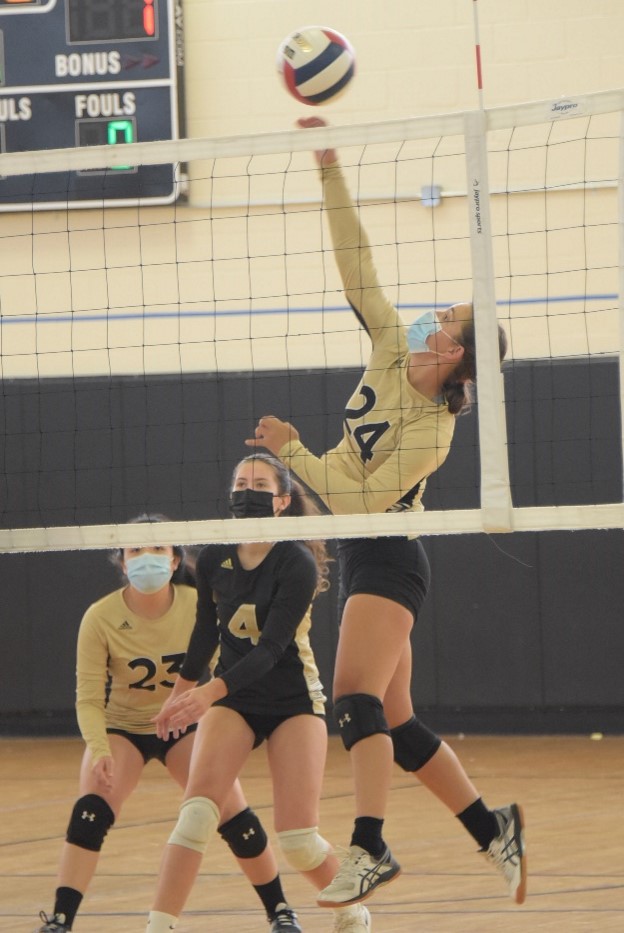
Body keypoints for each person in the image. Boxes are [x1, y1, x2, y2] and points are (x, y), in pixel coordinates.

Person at [246, 116, 527, 909]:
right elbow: (356, 263)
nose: (434, 317)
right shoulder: (388, 348)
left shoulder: (432, 432)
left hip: (391, 552)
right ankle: (491, 825)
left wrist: (293, 452)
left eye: (446, 322)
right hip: (370, 555)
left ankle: (369, 846)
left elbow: (363, 495)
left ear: (455, 358)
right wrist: (329, 168)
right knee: (395, 722)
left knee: (354, 702)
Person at [34, 514, 297, 933]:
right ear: (122, 561)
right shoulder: (100, 617)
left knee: (233, 814)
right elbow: (87, 699)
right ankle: (61, 921)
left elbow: (230, 671)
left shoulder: (201, 606)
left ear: (176, 560)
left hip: (187, 727)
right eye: (136, 549)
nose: (147, 558)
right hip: (125, 729)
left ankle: (281, 911)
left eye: (158, 549)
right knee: (90, 812)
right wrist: (100, 750)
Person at [145, 454, 371, 933]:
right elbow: (206, 633)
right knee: (196, 817)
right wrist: (180, 696)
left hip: (293, 700)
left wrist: (206, 695)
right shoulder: (212, 557)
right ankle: (157, 926)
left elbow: (271, 650)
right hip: (233, 701)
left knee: (298, 842)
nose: (248, 489)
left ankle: (353, 912)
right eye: (241, 482)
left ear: (282, 500)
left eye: (260, 483)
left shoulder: (296, 562)